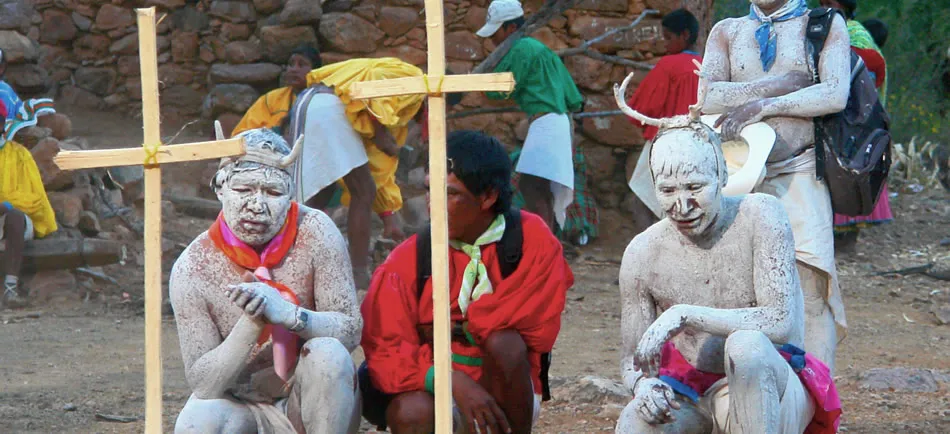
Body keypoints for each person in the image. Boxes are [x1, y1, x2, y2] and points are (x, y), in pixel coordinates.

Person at [612, 111, 840, 433]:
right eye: (667, 190)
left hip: (769, 387)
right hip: (690, 394)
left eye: (694, 187)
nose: (683, 205)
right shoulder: (642, 252)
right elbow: (631, 361)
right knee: (634, 421)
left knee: (746, 347)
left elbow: (780, 321)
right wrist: (643, 388)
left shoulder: (760, 215)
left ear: (722, 175)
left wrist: (684, 315)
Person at [359, 130, 572, 434]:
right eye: (429, 190)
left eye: (450, 193)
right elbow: (385, 347)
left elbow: (530, 327)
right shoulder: (410, 258)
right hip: (430, 385)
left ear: (487, 196)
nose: (433, 205)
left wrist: (450, 328)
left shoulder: (531, 241)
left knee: (505, 343)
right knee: (409, 412)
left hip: (505, 390)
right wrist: (448, 381)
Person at [169, 128, 362, 433]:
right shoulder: (194, 267)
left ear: (290, 196)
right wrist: (252, 320)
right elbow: (204, 385)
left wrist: (290, 316)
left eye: (273, 193)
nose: (257, 205)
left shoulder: (316, 232)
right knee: (196, 422)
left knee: (329, 354)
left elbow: (350, 330)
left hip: (311, 398)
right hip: (240, 406)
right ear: (220, 188)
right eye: (244, 190)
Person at [701, 0, 851, 374]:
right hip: (739, 176)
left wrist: (763, 105)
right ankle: (758, 391)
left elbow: (833, 94)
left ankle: (818, 402)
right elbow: (707, 97)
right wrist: (775, 88)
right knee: (741, 288)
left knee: (811, 289)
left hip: (800, 173)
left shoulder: (822, 25)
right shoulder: (727, 30)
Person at [230, 46, 378, 289]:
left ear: (315, 71)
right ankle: (281, 266)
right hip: (272, 167)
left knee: (321, 196)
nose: (294, 69)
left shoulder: (327, 101)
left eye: (302, 64)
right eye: (291, 63)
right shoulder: (272, 100)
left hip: (306, 167)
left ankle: (320, 268)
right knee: (306, 204)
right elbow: (242, 135)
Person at [475, 0, 585, 235]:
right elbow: (573, 97)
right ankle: (548, 243)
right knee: (541, 188)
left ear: (510, 28)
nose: (493, 40)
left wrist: (478, 84)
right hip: (558, 120)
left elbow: (500, 89)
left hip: (546, 122)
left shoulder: (521, 48)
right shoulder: (540, 49)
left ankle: (543, 245)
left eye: (496, 32)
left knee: (532, 186)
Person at [302, 57, 427, 244]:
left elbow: (376, 167)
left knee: (324, 189)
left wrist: (388, 216)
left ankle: (295, 252)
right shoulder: (416, 83)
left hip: (311, 102)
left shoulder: (394, 112)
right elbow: (375, 78)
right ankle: (358, 271)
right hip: (331, 105)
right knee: (363, 191)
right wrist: (379, 131)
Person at [817, 1, 893, 252]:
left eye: (829, 2)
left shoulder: (856, 36)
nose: (822, 5)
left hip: (851, 119)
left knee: (846, 173)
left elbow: (866, 77)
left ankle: (844, 242)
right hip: (832, 115)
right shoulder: (823, 28)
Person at [625, 8, 704, 227]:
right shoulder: (706, 65)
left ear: (684, 35)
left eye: (668, 38)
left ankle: (650, 254)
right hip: (699, 147)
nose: (665, 44)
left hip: (665, 142)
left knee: (640, 199)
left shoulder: (669, 65)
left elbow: (641, 109)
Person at [0, 101, 59, 309]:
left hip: (12, 219)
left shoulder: (19, 155)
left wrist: (6, 205)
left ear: (2, 125)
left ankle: (10, 289)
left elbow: (33, 198)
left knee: (15, 218)